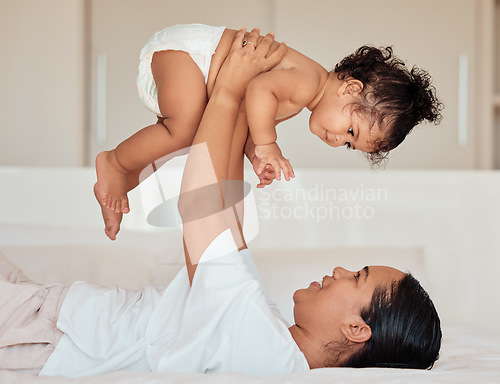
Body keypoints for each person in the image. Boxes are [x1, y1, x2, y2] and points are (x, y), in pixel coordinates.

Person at [0, 29, 441, 377]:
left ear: (357, 329)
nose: (341, 270)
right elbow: (225, 214)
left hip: (51, 331)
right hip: (54, 315)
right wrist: (235, 107)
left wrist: (229, 89)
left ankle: (118, 164)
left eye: (357, 277)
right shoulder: (272, 336)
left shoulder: (263, 348)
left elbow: (202, 207)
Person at [94, 23, 443, 240]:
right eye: (350, 129)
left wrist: (256, 154)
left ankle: (122, 182)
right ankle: (113, 163)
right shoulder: (307, 82)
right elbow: (257, 90)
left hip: (192, 69)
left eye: (350, 144)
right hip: (188, 55)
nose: (339, 141)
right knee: (184, 132)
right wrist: (269, 144)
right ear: (350, 89)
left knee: (186, 139)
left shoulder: (305, 96)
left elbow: (244, 117)